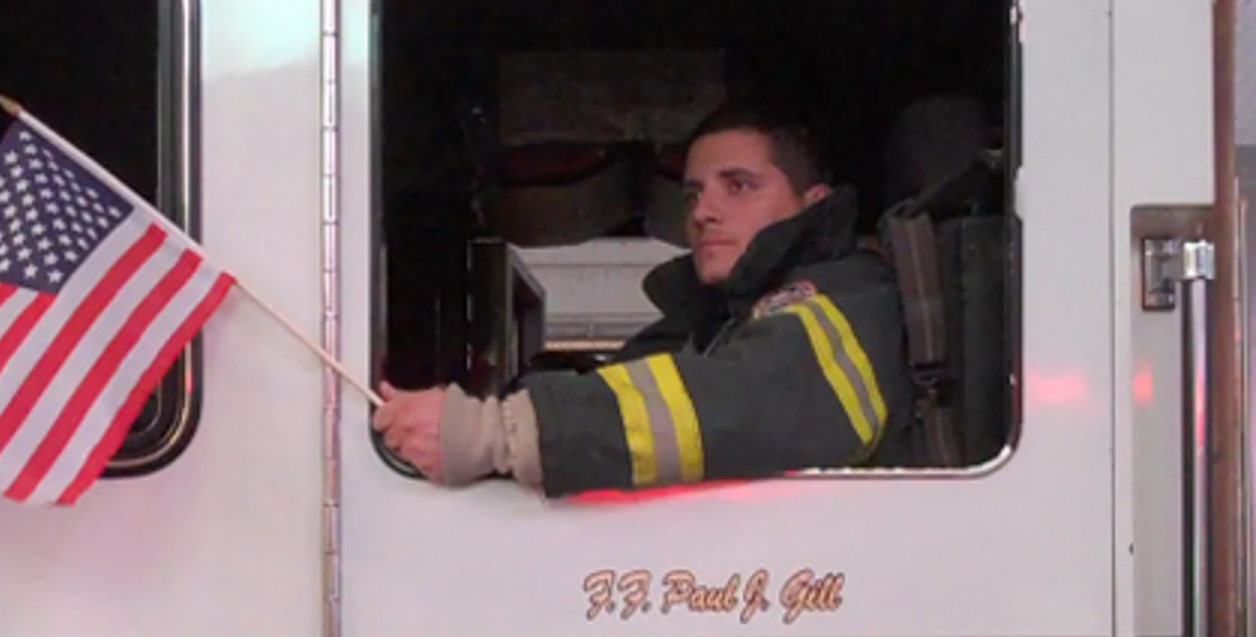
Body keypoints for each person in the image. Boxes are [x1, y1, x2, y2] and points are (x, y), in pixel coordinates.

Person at [372, 102, 915, 497]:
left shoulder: (852, 299)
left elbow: (745, 404)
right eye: (694, 193)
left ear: (811, 204)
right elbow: (633, 387)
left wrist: (497, 434)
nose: (703, 212)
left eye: (739, 185)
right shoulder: (712, 323)